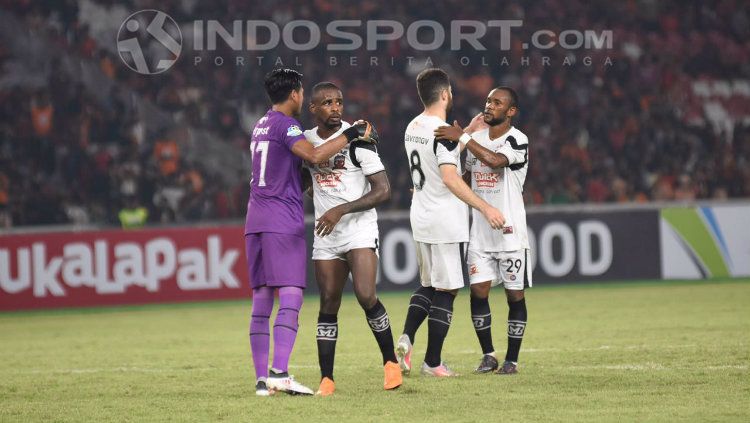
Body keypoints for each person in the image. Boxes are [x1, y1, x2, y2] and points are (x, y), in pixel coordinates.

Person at [245, 69, 377, 396]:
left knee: (262, 298)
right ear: (295, 95)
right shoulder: (287, 124)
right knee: (291, 294)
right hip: (280, 219)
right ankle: (280, 373)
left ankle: (263, 381)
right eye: (302, 93)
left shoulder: (260, 124)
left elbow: (294, 171)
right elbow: (315, 155)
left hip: (255, 218)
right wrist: (352, 134)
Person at [397, 68, 505, 377]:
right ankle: (433, 362)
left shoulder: (413, 126)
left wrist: (466, 132)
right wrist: (485, 207)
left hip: (420, 214)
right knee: (448, 289)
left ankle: (406, 337)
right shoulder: (443, 131)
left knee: (429, 284)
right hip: (444, 219)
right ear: (445, 94)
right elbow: (449, 177)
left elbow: (435, 159)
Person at [304, 82, 402, 396]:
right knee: (328, 302)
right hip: (327, 235)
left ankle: (390, 363)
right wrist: (316, 195)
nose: (335, 108)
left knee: (365, 295)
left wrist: (340, 208)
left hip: (359, 229)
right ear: (314, 109)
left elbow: (383, 190)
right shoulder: (307, 142)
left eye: (339, 102)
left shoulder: (360, 141)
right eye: (327, 103)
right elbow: (305, 174)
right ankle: (327, 380)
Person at [434, 87, 531, 375]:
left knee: (515, 296)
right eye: (488, 100)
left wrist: (461, 136)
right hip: (479, 234)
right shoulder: (474, 139)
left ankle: (511, 360)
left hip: (510, 233)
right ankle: (488, 355)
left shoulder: (518, 140)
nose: (489, 105)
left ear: (511, 111)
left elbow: (496, 161)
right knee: (478, 293)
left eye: (497, 102)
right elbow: (466, 178)